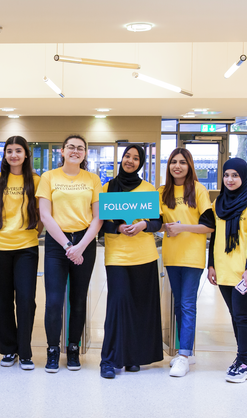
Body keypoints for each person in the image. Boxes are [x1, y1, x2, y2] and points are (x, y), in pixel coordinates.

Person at [36, 134, 103, 373]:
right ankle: (52, 349)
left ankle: (73, 347)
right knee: (53, 301)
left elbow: (98, 217)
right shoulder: (49, 177)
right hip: (57, 243)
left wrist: (81, 246)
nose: (76, 151)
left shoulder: (93, 179)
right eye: (71, 147)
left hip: (85, 241)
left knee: (78, 299)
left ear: (85, 153)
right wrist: (67, 246)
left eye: (80, 148)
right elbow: (45, 215)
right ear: (62, 151)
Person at [98, 144, 164, 379]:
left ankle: (133, 356)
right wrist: (118, 226)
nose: (131, 161)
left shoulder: (148, 189)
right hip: (117, 256)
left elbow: (158, 222)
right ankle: (108, 360)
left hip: (145, 256)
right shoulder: (108, 188)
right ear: (121, 159)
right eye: (127, 156)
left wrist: (144, 224)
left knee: (140, 306)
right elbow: (100, 224)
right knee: (117, 305)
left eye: (136, 158)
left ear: (141, 162)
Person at [207, 158, 247, 383]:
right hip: (223, 269)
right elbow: (214, 237)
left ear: (244, 177)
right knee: (235, 315)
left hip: (243, 271)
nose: (230, 180)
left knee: (241, 315)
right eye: (226, 175)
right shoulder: (218, 203)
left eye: (235, 175)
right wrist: (210, 264)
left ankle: (242, 362)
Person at [158, 148, 215, 377]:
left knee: (188, 304)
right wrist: (165, 227)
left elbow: (210, 226)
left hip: (192, 256)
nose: (177, 166)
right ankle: (186, 351)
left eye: (182, 162)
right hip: (171, 255)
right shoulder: (162, 191)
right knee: (179, 304)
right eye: (173, 162)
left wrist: (182, 227)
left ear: (189, 165)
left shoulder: (199, 190)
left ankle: (183, 355)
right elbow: (159, 223)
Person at [0, 136, 41, 370]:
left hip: (26, 248)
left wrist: (33, 232)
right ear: (5, 155)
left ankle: (25, 351)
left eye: (18, 151)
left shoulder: (37, 181)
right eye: (9, 151)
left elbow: (42, 214)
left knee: (26, 300)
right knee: (3, 301)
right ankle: (8, 350)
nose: (14, 155)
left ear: (26, 154)